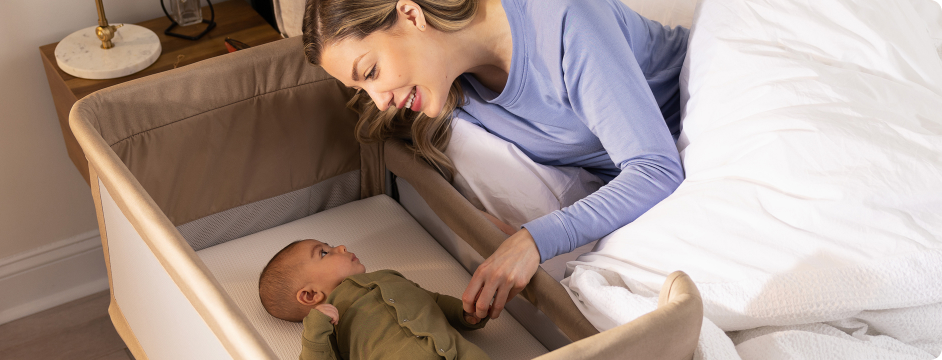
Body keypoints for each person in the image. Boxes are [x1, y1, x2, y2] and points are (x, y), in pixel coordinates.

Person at [301, 0, 687, 322]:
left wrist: (532, 240)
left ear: (411, 14)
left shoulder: (562, 19)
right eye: (362, 88)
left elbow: (655, 168)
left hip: (692, 140)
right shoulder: (455, 86)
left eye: (370, 72)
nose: (379, 99)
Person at [258, 239, 491, 359]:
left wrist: (464, 313)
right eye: (324, 252)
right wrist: (315, 330)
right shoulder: (328, 327)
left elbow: (434, 302)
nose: (340, 246)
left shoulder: (387, 277)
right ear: (310, 295)